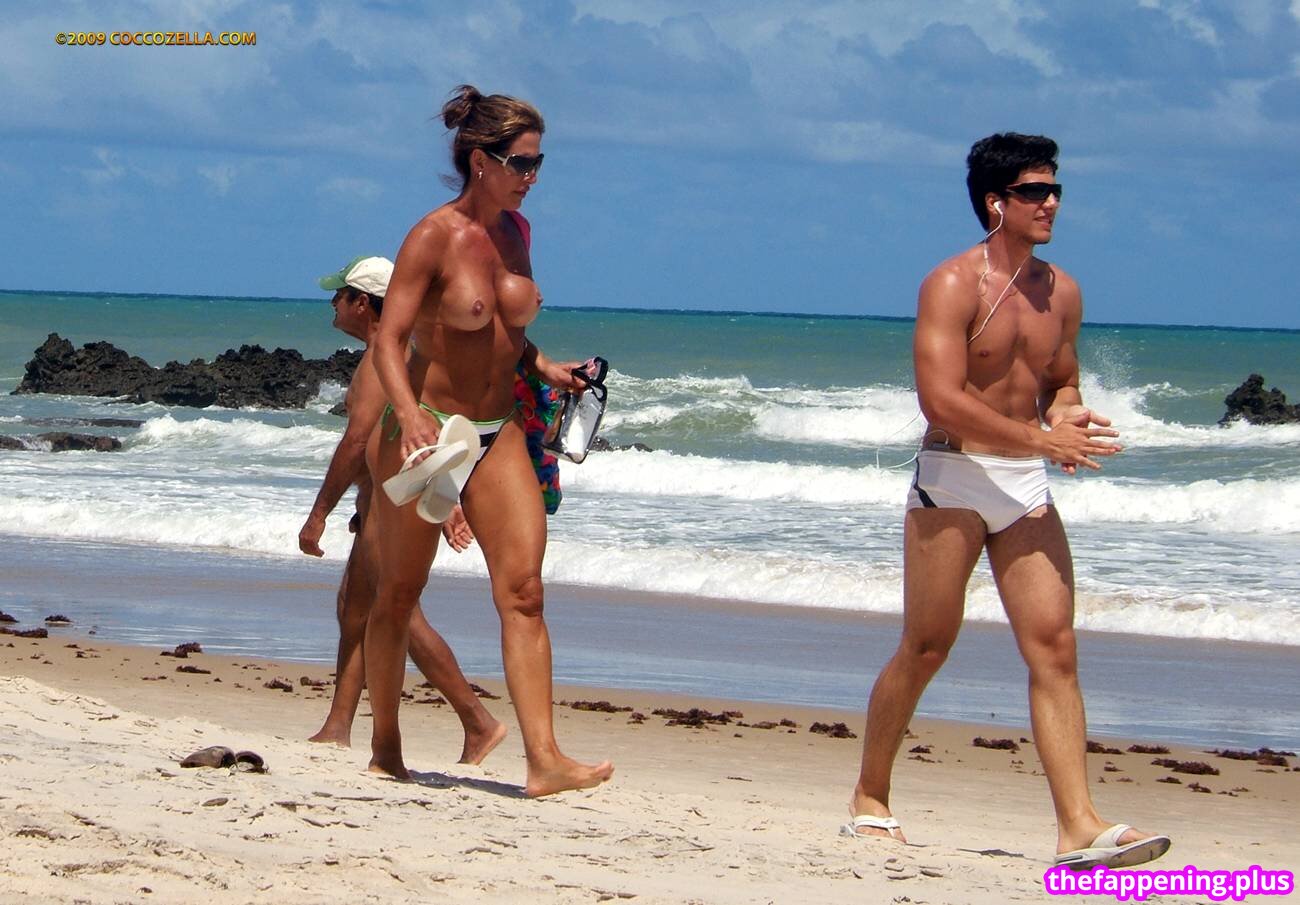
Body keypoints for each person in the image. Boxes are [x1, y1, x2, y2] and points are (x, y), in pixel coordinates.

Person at [844, 134, 1171, 871]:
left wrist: (1069, 414)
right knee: (927, 645)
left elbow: (1061, 378)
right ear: (996, 202)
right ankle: (870, 795)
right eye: (1034, 191)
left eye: (1055, 190)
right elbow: (941, 399)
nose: (1051, 203)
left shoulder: (1062, 291)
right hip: (954, 479)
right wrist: (1042, 440)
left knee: (1055, 647)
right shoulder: (952, 284)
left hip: (1024, 483)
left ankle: (1078, 825)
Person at [364, 85, 613, 796]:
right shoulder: (432, 237)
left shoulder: (517, 233)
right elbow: (389, 339)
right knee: (399, 592)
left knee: (525, 590)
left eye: (539, 163)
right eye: (521, 163)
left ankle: (544, 759)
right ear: (481, 160)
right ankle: (385, 745)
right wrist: (408, 414)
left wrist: (547, 368)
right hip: (428, 434)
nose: (532, 177)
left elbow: (506, 333)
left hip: (497, 430)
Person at [298, 254, 505, 765]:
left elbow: (357, 442)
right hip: (381, 498)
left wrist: (319, 513)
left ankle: (478, 722)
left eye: (340, 294)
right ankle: (337, 726)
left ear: (362, 304)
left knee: (399, 615)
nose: (332, 303)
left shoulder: (381, 359)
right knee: (354, 608)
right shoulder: (393, 353)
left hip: (391, 501)